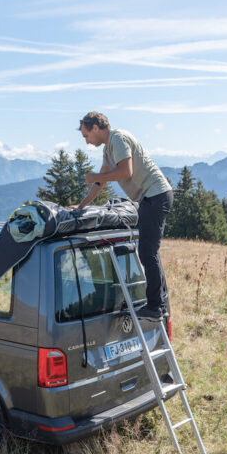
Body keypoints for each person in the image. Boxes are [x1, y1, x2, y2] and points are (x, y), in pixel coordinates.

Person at [73, 111, 173, 320]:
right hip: (150, 198)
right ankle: (159, 304)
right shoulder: (109, 149)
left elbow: (125, 171)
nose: (86, 141)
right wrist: (80, 206)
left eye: (86, 136)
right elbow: (101, 183)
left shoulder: (117, 139)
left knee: (148, 252)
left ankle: (156, 307)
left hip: (156, 195)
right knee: (149, 252)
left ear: (96, 128)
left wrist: (95, 176)